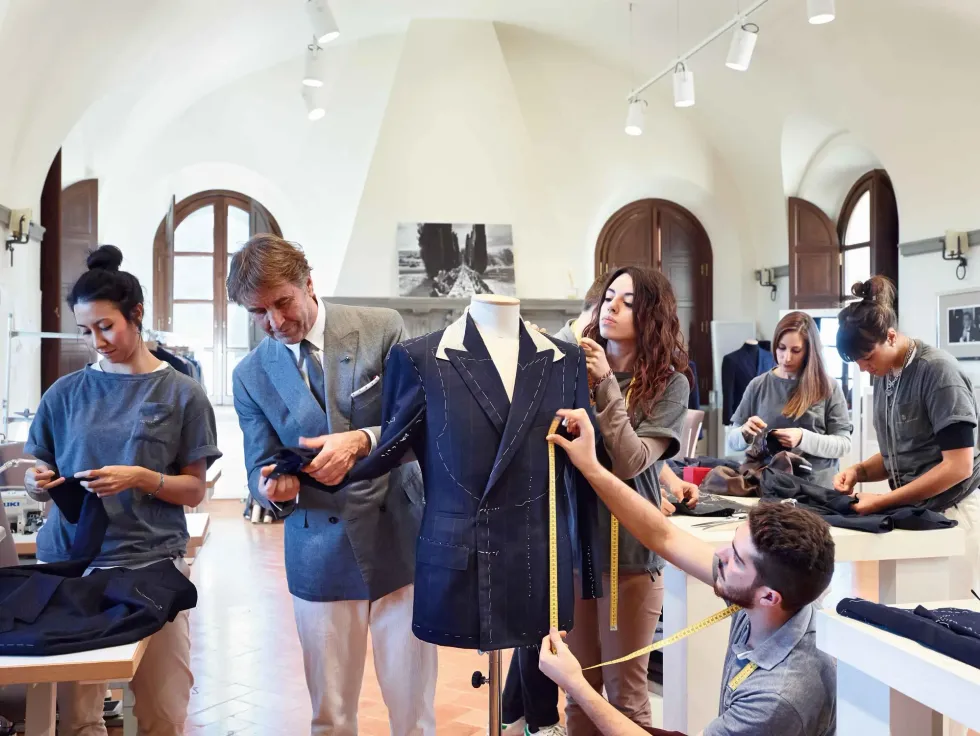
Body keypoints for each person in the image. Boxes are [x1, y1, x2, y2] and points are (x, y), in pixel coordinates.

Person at [227, 235, 436, 735]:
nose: (275, 322)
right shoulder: (249, 375)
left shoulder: (382, 327)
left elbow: (422, 424)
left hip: (400, 539)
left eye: (283, 302)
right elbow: (257, 466)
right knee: (331, 717)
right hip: (318, 551)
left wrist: (361, 441)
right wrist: (269, 490)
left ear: (308, 283)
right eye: (258, 313)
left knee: (414, 714)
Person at [541, 407, 837, 736]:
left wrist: (575, 684)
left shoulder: (778, 698)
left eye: (737, 559)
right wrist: (591, 467)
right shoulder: (777, 604)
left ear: (769, 597)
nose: (720, 555)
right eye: (731, 546)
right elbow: (663, 536)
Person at [24, 245, 221, 736]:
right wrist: (36, 483)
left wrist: (140, 477)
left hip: (152, 568)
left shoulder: (182, 393)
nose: (97, 342)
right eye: (85, 330)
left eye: (106, 326)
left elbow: (194, 490)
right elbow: (42, 470)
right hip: (74, 569)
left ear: (136, 315)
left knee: (163, 711)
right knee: (79, 717)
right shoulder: (64, 394)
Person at [560, 266, 691, 734]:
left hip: (631, 556)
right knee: (578, 692)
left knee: (626, 697)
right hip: (574, 548)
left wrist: (606, 386)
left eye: (628, 302)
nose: (611, 307)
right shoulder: (569, 370)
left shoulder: (671, 384)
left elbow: (632, 461)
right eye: (609, 296)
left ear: (652, 315)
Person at [834, 276, 980, 597]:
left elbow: (959, 466)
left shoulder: (938, 373)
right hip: (917, 512)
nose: (863, 369)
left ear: (890, 336)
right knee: (908, 609)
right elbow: (901, 453)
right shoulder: (885, 374)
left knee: (954, 613)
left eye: (867, 358)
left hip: (957, 513)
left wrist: (884, 501)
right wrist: (859, 471)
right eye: (857, 362)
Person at [728, 311, 852, 486]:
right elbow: (732, 441)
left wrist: (803, 438)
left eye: (796, 350)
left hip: (816, 487)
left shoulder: (828, 387)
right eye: (781, 348)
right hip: (769, 485)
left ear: (809, 351)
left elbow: (843, 444)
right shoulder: (758, 385)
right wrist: (744, 432)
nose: (786, 357)